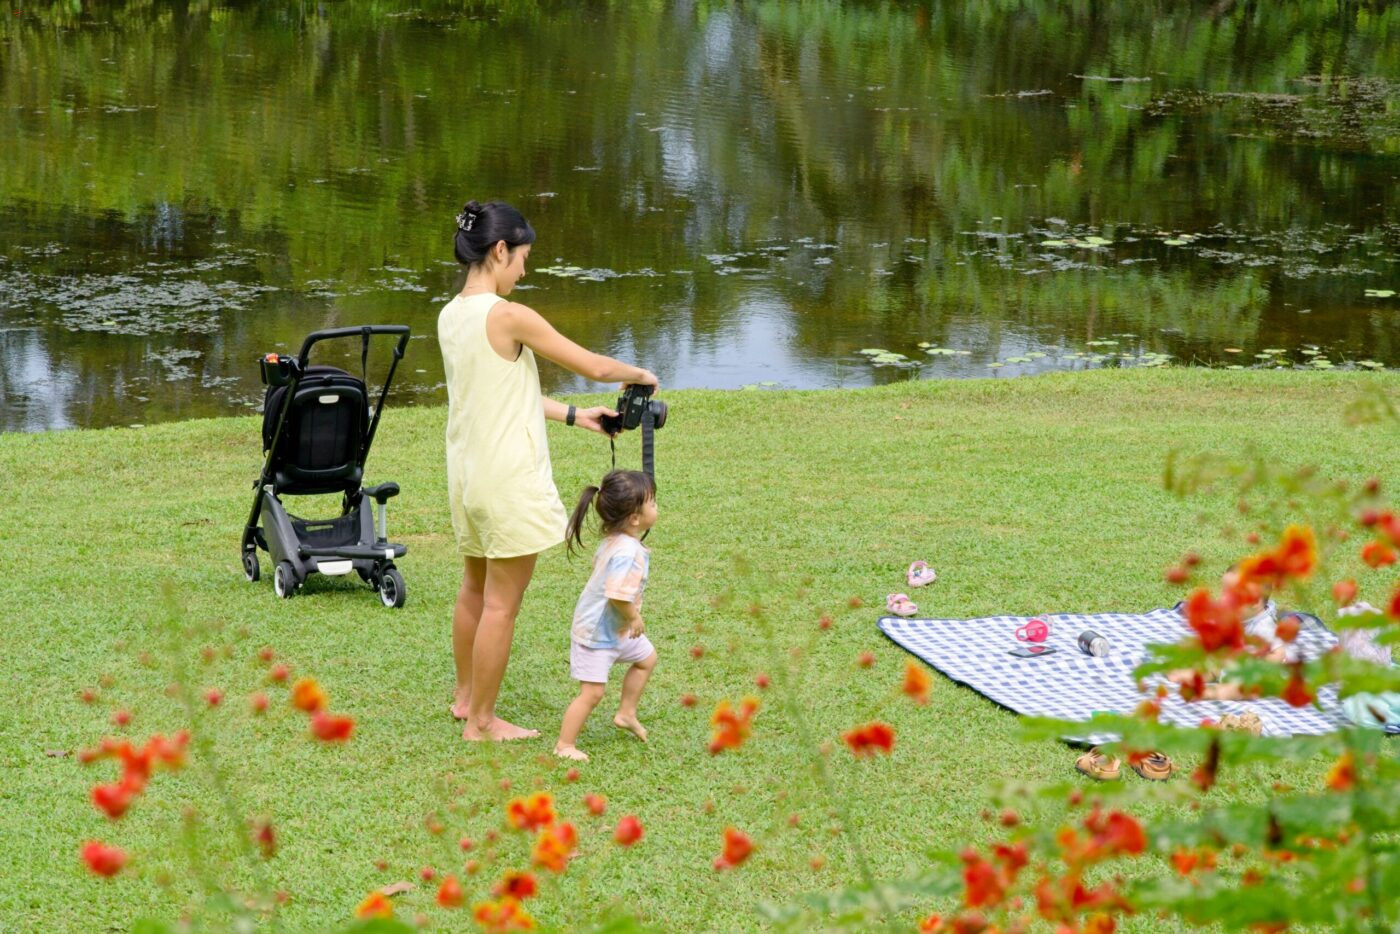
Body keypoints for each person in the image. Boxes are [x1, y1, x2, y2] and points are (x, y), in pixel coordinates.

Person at [440, 200, 658, 742]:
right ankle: (484, 725)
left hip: (468, 475)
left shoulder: (452, 315)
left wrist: (578, 416)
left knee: (473, 589)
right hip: (508, 477)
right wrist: (643, 374)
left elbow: (501, 391)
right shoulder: (508, 314)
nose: (524, 270)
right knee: (500, 605)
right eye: (522, 259)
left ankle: (466, 700)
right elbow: (595, 366)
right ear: (499, 251)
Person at [554, 469, 659, 761]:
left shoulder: (618, 540)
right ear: (634, 518)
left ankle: (626, 713)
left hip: (615, 630)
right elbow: (616, 595)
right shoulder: (627, 552)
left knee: (646, 659)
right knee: (592, 693)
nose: (656, 507)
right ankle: (564, 745)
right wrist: (634, 617)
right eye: (652, 502)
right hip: (597, 634)